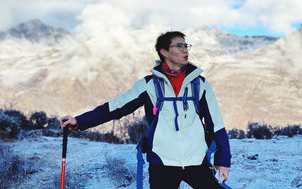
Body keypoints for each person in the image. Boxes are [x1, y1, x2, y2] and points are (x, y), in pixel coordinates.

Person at [60, 31, 231, 189]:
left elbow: (216, 123)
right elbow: (115, 108)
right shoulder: (149, 85)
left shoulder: (200, 84)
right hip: (161, 162)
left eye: (186, 46)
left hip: (197, 161)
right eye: (179, 46)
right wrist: (79, 121)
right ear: (164, 52)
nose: (185, 50)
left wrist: (223, 159)